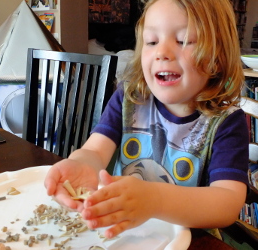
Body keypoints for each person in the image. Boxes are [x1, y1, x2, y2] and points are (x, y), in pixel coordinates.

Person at [45, 0, 249, 240]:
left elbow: (226, 203)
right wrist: (80, 163)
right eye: (152, 42)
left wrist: (155, 199)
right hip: (127, 233)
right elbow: (95, 151)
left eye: (183, 40)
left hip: (189, 241)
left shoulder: (226, 122)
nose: (162, 52)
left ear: (218, 55)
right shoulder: (130, 98)